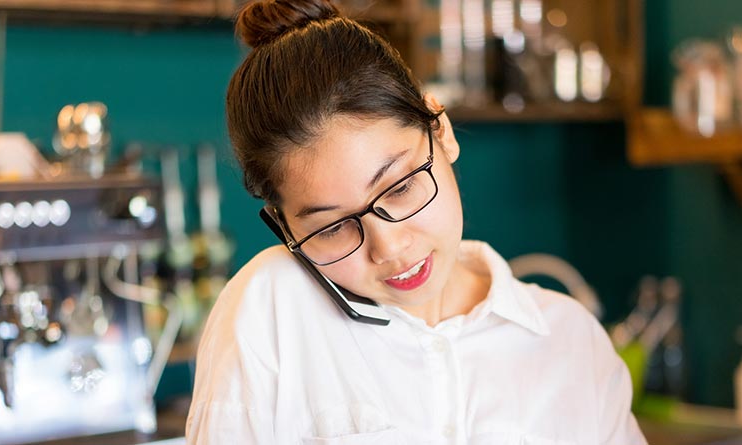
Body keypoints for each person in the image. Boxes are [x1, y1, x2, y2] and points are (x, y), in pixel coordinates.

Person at [185, 0, 647, 443]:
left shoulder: (569, 340)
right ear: (285, 228)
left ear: (440, 131)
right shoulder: (272, 311)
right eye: (331, 228)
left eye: (400, 187)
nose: (388, 247)